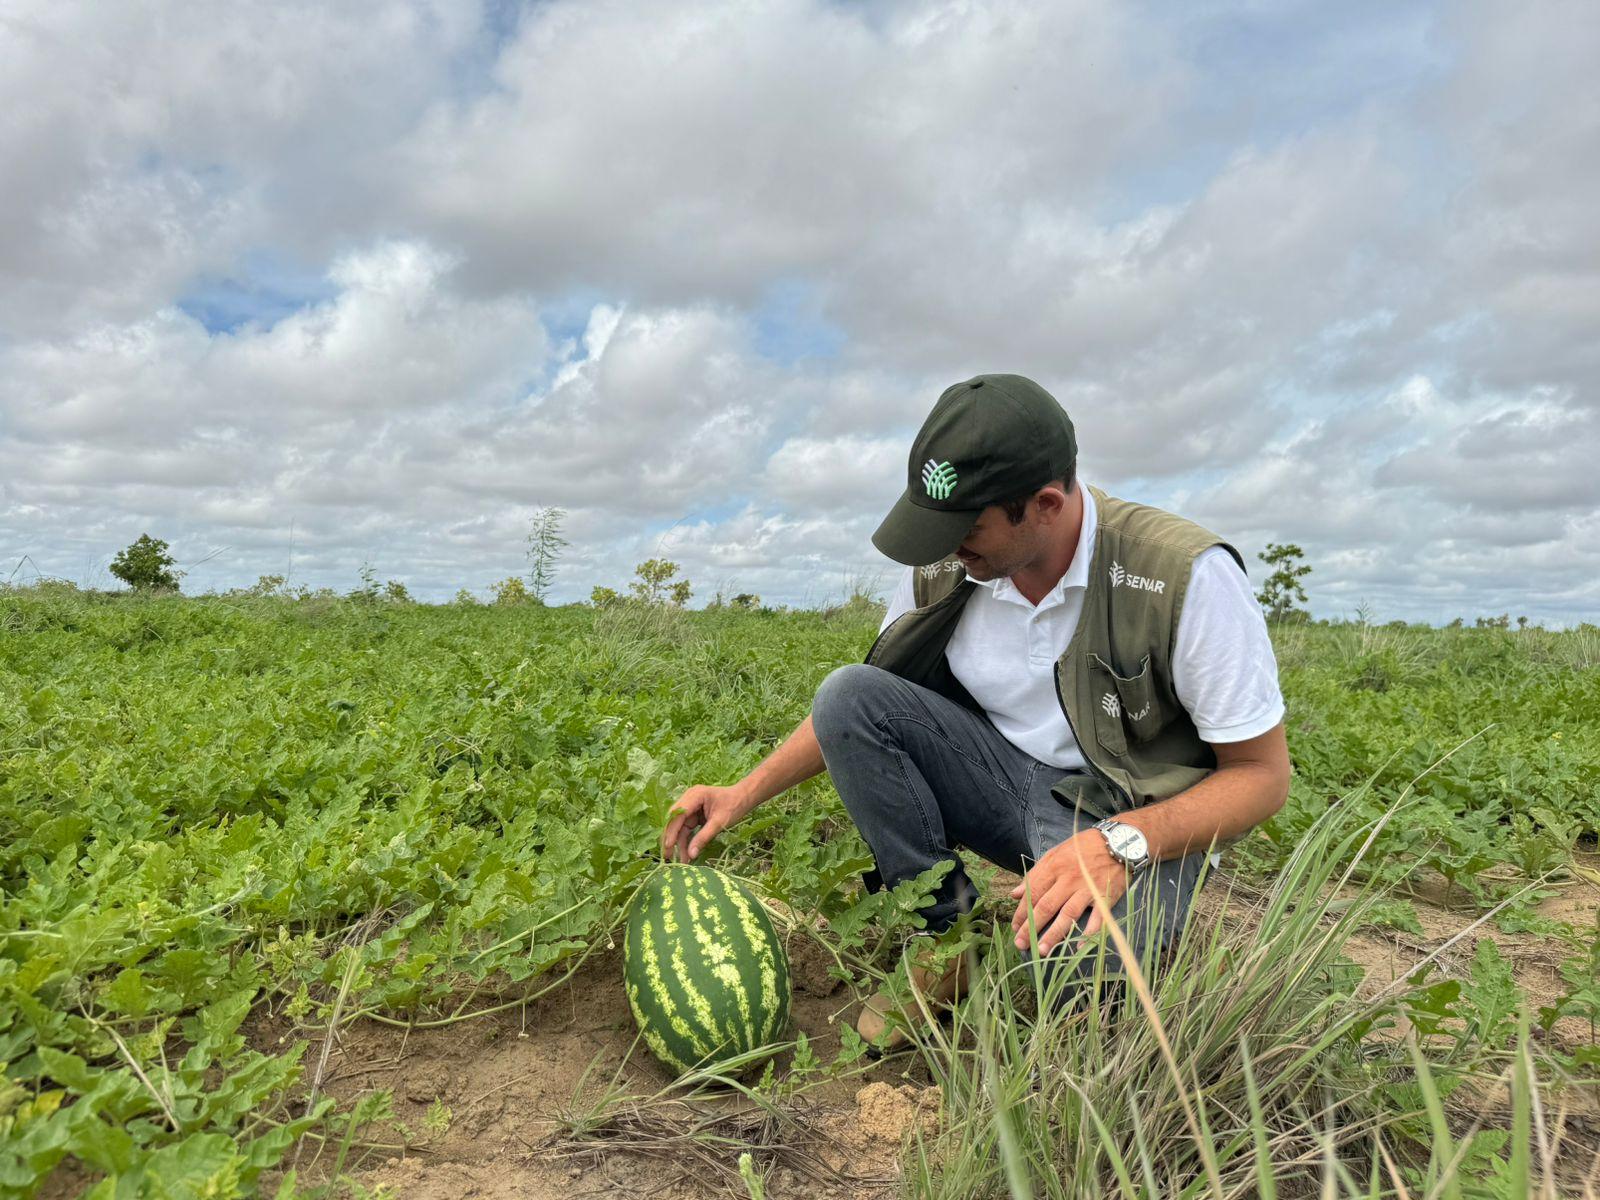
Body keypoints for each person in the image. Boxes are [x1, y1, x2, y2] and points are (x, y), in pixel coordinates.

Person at [662, 373, 1291, 1051]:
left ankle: (1122, 936)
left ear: (1045, 505)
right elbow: (860, 711)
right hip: (997, 782)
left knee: (1076, 998)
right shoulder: (948, 565)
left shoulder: (1181, 577)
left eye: (968, 527)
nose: (949, 545)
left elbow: (1261, 776)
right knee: (851, 691)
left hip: (1127, 816)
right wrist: (743, 793)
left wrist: (1121, 846)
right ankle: (947, 938)